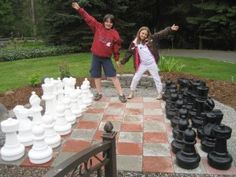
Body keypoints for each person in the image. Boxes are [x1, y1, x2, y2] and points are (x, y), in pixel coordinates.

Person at [72, 2, 127, 103]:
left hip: (106, 59)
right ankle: (99, 93)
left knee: (113, 76)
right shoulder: (98, 27)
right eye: (106, 21)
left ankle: (121, 94)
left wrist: (117, 59)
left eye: (110, 22)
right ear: (104, 22)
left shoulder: (115, 34)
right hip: (96, 57)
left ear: (113, 23)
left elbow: (116, 48)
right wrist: (80, 9)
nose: (108, 23)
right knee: (96, 75)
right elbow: (89, 18)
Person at [120, 25, 179, 99]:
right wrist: (123, 62)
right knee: (136, 78)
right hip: (142, 64)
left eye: (145, 34)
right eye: (142, 33)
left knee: (156, 78)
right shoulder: (135, 43)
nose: (144, 35)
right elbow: (129, 53)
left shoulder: (151, 39)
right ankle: (131, 92)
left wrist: (170, 29)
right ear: (139, 33)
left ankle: (160, 94)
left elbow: (161, 34)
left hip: (152, 63)